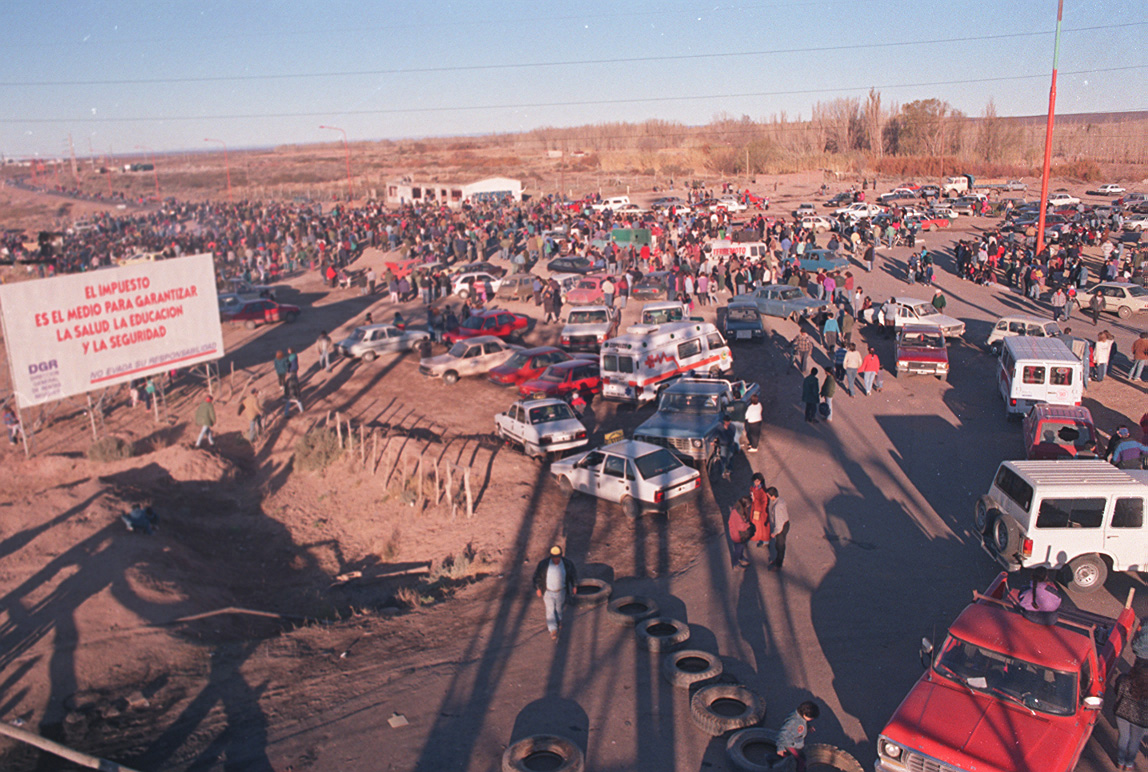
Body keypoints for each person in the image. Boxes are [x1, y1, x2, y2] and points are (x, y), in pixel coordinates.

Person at [533, 545, 577, 641]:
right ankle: (553, 629)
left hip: (561, 591)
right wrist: (538, 588)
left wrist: (574, 585)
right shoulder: (543, 565)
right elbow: (537, 577)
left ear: (561, 556)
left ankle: (558, 620)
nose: (556, 560)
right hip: (548, 591)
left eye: (557, 557)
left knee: (559, 608)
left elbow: (573, 575)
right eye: (554, 558)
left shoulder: (567, 564)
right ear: (551, 557)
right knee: (550, 610)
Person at [1112, 658, 1148, 771]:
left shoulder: (1125, 680)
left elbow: (1117, 691)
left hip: (1122, 712)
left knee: (1123, 737)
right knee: (1135, 741)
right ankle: (1129, 764)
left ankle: (1120, 761)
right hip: (1141, 720)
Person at [777, 700, 820, 770]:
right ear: (805, 715)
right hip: (790, 743)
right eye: (811, 718)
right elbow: (783, 733)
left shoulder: (800, 716)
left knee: (787, 756)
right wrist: (780, 748)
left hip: (796, 742)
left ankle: (771, 759)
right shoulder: (793, 722)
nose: (812, 719)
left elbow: (803, 723)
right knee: (801, 761)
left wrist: (808, 727)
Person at [766, 486, 790, 571]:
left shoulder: (777, 507)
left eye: (768, 496)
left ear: (772, 496)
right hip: (786, 523)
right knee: (779, 545)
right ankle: (778, 560)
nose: (768, 497)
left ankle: (779, 564)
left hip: (782, 527)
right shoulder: (780, 500)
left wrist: (774, 533)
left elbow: (779, 524)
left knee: (780, 546)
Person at [727, 496, 754, 569]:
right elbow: (741, 527)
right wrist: (748, 525)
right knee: (738, 549)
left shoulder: (739, 509)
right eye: (748, 505)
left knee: (741, 547)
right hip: (737, 534)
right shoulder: (737, 514)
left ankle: (741, 557)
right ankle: (735, 563)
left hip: (739, 534)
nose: (749, 507)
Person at [712, 414, 737, 480]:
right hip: (723, 445)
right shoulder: (719, 427)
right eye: (726, 421)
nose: (727, 423)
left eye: (728, 421)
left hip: (730, 444)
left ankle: (729, 469)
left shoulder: (732, 427)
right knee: (723, 459)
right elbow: (715, 434)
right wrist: (712, 440)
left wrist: (726, 430)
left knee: (730, 458)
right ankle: (722, 471)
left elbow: (732, 435)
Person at [750, 473, 770, 549]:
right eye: (755, 481)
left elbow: (765, 503)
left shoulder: (763, 491)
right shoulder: (753, 488)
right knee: (757, 527)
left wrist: (755, 501)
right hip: (755, 510)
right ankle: (762, 539)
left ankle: (765, 541)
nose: (756, 483)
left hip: (761, 512)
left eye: (757, 481)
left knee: (763, 528)